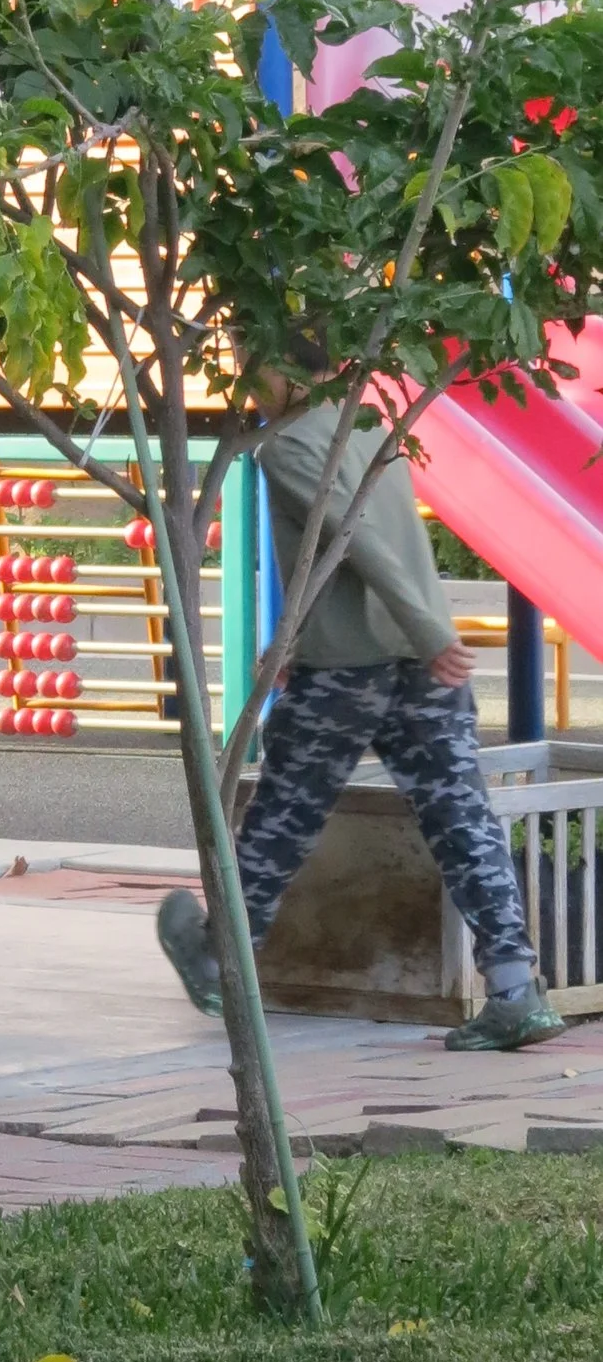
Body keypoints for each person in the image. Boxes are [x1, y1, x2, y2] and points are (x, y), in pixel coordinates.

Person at [157, 380, 563, 1052]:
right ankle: (515, 989)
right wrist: (299, 639)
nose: (243, 374)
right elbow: (346, 553)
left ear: (288, 363)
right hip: (419, 664)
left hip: (351, 666)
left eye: (251, 358)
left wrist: (427, 631)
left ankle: (218, 957)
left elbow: (354, 538)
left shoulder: (286, 444)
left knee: (283, 815)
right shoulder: (374, 418)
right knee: (463, 817)